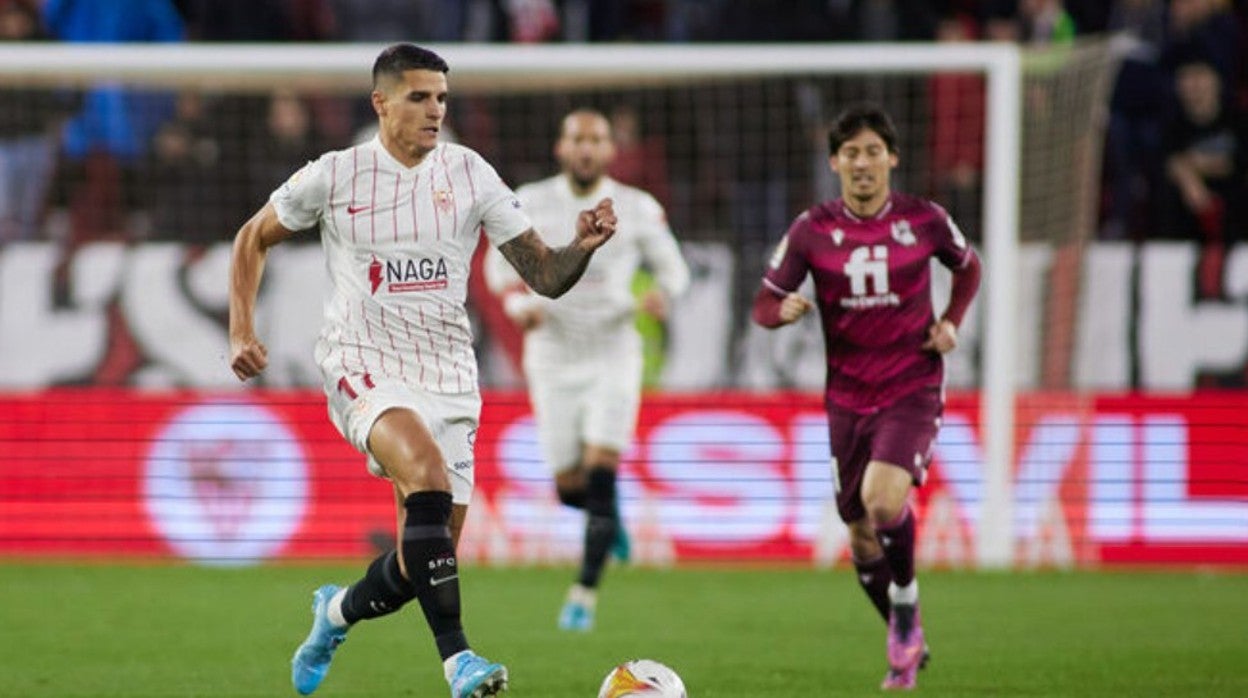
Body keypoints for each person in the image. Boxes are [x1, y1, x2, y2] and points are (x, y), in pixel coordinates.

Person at [227, 44, 617, 698]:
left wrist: (580, 246)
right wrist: (242, 327)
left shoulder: (470, 174)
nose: (435, 109)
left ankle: (332, 614)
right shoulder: (337, 174)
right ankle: (459, 661)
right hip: (362, 363)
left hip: (448, 375)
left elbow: (544, 276)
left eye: (441, 97)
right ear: (381, 103)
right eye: (419, 97)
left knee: (422, 561)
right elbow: (251, 237)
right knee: (427, 478)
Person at [751, 103, 981, 691]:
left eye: (873, 151)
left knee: (882, 503)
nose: (862, 163)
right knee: (857, 531)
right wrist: (785, 311)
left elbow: (968, 266)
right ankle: (908, 637)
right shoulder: (811, 229)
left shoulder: (924, 219)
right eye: (850, 153)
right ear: (834, 162)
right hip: (847, 397)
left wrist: (951, 321)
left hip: (912, 384)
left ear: (892, 159)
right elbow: (763, 304)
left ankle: (905, 605)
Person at [483, 108, 688, 631]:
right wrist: (516, 306)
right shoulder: (530, 201)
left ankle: (583, 594)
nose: (586, 148)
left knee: (600, 472)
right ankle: (609, 518)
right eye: (577, 138)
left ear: (609, 151)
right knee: (569, 486)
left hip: (613, 348)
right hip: (552, 348)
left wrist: (663, 294)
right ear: (561, 148)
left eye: (596, 139)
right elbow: (494, 268)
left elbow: (675, 270)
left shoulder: (639, 208)